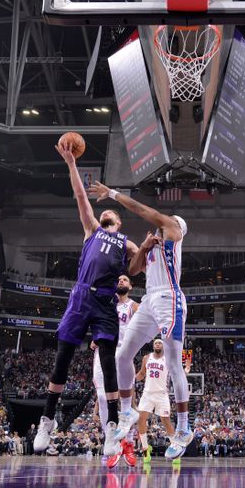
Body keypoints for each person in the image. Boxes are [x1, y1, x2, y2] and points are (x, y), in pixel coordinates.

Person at [32, 139, 151, 459]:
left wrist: (147, 248)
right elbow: (81, 196)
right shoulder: (92, 229)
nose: (107, 210)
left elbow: (137, 270)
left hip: (105, 303)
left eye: (112, 211)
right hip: (81, 297)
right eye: (106, 209)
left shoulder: (127, 243)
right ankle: (47, 420)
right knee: (63, 359)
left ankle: (112, 428)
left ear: (121, 221)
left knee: (110, 364)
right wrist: (71, 164)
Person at [87, 181, 191, 460]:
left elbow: (143, 210)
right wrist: (144, 247)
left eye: (165, 223)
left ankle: (183, 428)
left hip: (170, 299)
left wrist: (111, 194)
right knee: (122, 356)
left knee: (173, 363)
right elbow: (133, 270)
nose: (160, 225)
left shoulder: (173, 230)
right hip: (149, 300)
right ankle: (125, 411)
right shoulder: (155, 246)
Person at [96, 274, 139, 469]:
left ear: (130, 286)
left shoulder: (133, 306)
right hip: (104, 349)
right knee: (103, 397)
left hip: (123, 353)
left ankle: (128, 443)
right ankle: (111, 440)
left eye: (125, 280)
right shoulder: (106, 303)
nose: (121, 281)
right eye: (119, 279)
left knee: (126, 403)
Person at [134, 339, 176, 465]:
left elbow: (175, 373)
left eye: (160, 343)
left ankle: (175, 448)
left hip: (162, 394)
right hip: (147, 393)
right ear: (153, 346)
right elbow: (142, 373)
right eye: (156, 343)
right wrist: (132, 379)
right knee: (141, 419)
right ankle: (146, 448)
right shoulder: (147, 358)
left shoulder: (168, 359)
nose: (158, 344)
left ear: (163, 346)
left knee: (166, 420)